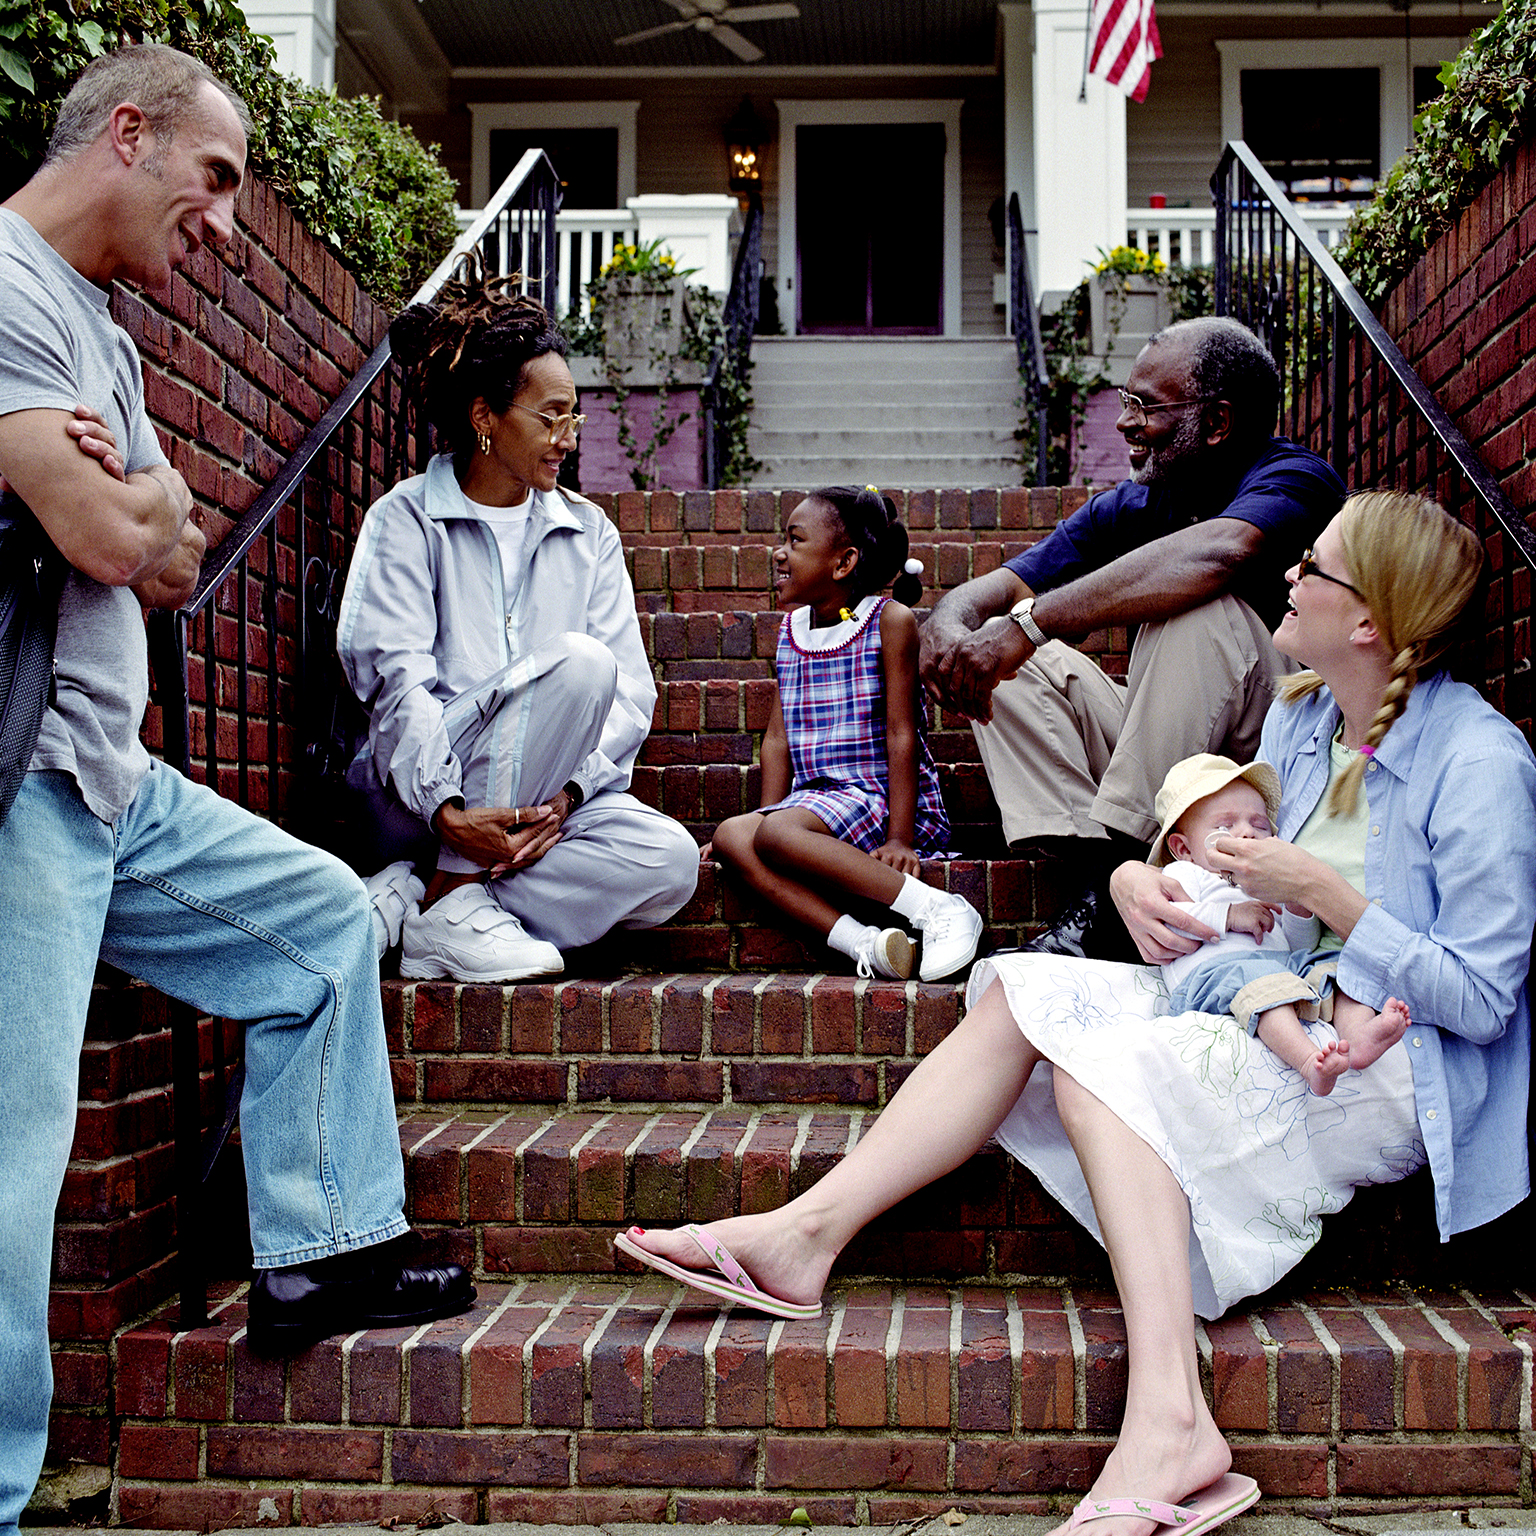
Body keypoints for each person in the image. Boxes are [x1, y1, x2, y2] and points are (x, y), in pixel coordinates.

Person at [616, 490, 1533, 1536]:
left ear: (1369, 619)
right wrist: (1147, 884)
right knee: (1022, 987)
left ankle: (1172, 1423)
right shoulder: (1303, 713)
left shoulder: (1481, 761)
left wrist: (1328, 898)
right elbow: (1235, 873)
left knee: (1105, 1074)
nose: (1288, 575)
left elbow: (1484, 1000)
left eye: (1312, 568)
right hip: (1261, 994)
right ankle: (803, 1236)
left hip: (1384, 1057)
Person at [0, 43, 474, 1524]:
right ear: (127, 134)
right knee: (14, 1166)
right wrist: (128, 507)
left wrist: (138, 503)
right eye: (214, 183)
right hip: (19, 779)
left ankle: (318, 1250)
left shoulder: (115, 340)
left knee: (324, 924)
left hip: (111, 777)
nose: (223, 225)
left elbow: (177, 555)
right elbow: (101, 535)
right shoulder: (4, 284)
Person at [919, 316, 1345, 954]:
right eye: (1125, 403)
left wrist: (1029, 623)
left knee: (1202, 611)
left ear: (1218, 422)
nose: (1124, 422)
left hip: (1274, 752)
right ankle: (1106, 883)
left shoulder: (1293, 478)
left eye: (1144, 406)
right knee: (1019, 665)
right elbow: (1001, 588)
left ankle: (1109, 911)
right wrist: (951, 626)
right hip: (1174, 762)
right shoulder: (1142, 502)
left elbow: (1222, 553)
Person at [336, 262, 698, 982]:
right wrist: (446, 813)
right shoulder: (407, 519)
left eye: (575, 416)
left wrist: (567, 799)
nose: (568, 436)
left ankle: (428, 896)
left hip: (536, 812)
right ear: (484, 418)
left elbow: (629, 697)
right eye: (551, 415)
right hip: (415, 799)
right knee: (579, 661)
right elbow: (398, 687)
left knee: (670, 863)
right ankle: (452, 885)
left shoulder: (587, 534)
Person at [710, 485, 981, 982]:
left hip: (876, 796)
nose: (779, 552)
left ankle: (937, 910)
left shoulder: (887, 622)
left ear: (843, 563)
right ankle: (868, 944)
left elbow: (903, 734)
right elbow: (778, 740)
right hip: (816, 803)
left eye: (795, 541)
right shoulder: (791, 631)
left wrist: (900, 837)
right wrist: (765, 815)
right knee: (733, 835)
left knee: (775, 833)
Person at [1150, 753, 1410, 1095]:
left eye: (1259, 825)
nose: (1246, 832)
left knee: (1335, 968)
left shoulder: (1264, 879)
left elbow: (1296, 946)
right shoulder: (1185, 874)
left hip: (1282, 967)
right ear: (1183, 847)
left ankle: (1359, 1035)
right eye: (1225, 827)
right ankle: (1307, 1061)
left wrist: (1296, 908)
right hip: (1216, 975)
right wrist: (1231, 916)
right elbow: (1175, 923)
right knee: (1262, 986)